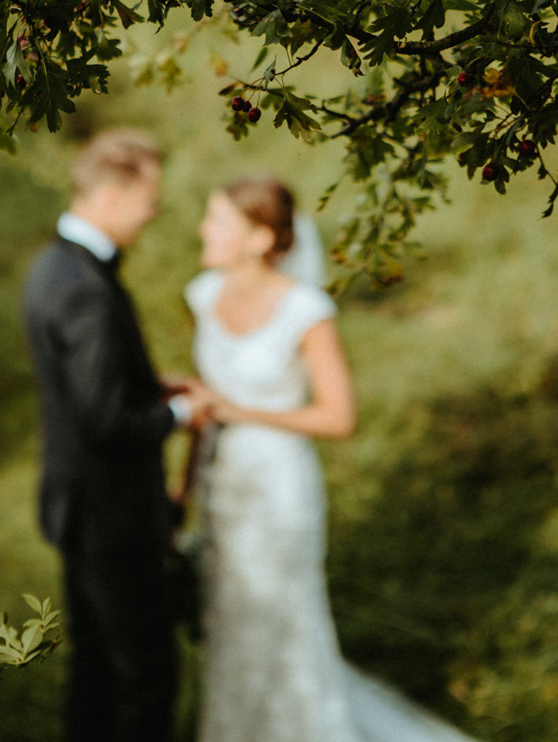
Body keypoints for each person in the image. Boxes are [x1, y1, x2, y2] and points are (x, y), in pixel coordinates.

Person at [185, 175, 475, 742]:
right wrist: (184, 485)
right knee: (233, 627)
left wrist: (240, 411)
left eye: (219, 221)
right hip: (220, 490)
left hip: (278, 488)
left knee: (282, 625)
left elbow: (338, 417)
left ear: (261, 239)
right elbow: (204, 404)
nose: (204, 229)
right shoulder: (202, 295)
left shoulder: (305, 310)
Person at [22, 128, 211, 742]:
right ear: (111, 192)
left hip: (76, 507)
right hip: (113, 516)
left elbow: (82, 388)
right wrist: (186, 415)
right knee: (146, 673)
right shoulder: (88, 292)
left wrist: (148, 386)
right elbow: (105, 424)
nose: (155, 210)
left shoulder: (51, 267)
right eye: (148, 195)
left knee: (95, 666)